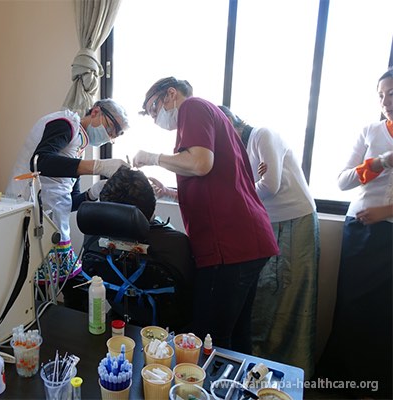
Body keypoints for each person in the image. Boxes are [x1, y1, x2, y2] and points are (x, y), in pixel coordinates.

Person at [133, 77, 279, 353]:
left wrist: (153, 158)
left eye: (154, 110)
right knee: (235, 336)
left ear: (170, 95)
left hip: (230, 246)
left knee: (207, 339)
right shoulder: (210, 120)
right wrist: (169, 192)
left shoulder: (194, 108)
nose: (155, 119)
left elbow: (201, 164)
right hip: (247, 241)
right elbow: (216, 183)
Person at [218, 106, 320, 377]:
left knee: (288, 295)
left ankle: (291, 372)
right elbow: (250, 187)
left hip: (294, 220)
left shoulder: (262, 135)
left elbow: (270, 185)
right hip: (267, 222)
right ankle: (260, 366)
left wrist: (250, 185)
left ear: (229, 121)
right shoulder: (238, 151)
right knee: (264, 294)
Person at [316, 69, 392, 399]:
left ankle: (376, 385)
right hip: (359, 232)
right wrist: (379, 163)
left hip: (389, 232)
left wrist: (387, 212)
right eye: (381, 95)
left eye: (391, 93)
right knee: (350, 306)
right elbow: (343, 180)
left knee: (384, 311)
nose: (386, 101)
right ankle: (338, 381)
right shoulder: (370, 131)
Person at [5, 99, 130, 287]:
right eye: (111, 128)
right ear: (96, 111)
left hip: (53, 222)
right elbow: (40, 162)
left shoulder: (78, 148)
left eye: (115, 135)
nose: (110, 136)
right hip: (30, 212)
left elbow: (70, 202)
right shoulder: (65, 124)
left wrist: (94, 192)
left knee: (56, 286)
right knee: (32, 287)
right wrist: (98, 166)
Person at [63, 165, 194, 330]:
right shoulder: (176, 244)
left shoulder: (93, 239)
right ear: (151, 203)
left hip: (120, 320)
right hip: (165, 332)